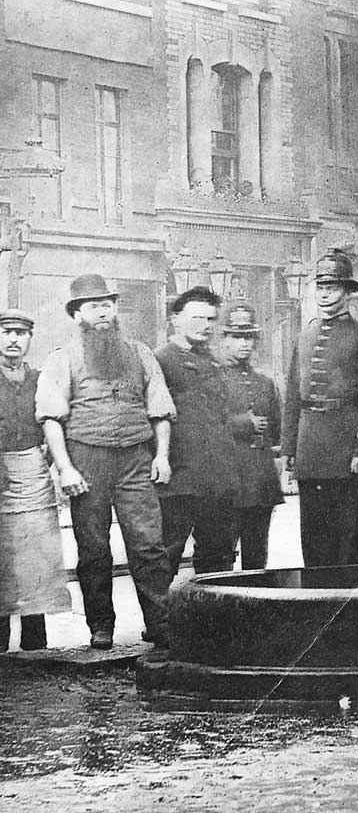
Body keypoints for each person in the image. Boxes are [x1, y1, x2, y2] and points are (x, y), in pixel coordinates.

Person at [37, 274, 176, 650]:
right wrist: (65, 468)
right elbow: (52, 419)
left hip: (135, 458)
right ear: (77, 314)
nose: (102, 311)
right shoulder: (62, 359)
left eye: (108, 304)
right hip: (86, 459)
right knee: (94, 548)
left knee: (148, 544)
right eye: (93, 305)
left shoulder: (141, 354)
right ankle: (101, 626)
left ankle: (160, 623)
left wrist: (161, 455)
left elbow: (160, 411)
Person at [283, 251, 358, 567]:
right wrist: (289, 449)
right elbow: (293, 396)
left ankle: (349, 609)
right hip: (311, 453)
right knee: (313, 541)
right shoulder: (303, 338)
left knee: (349, 541)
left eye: (332, 287)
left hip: (348, 454)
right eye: (320, 286)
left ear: (348, 292)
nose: (324, 293)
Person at [0, 309, 82, 651]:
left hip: (34, 475)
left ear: (31, 338)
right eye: (6, 332)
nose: (13, 339)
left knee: (38, 558)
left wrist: (52, 457)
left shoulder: (39, 378)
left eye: (21, 332)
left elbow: (55, 421)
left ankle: (36, 647)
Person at [154, 287, 242, 576]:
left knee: (219, 558)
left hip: (218, 479)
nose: (205, 325)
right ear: (175, 319)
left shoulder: (217, 362)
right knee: (166, 556)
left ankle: (212, 620)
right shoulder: (159, 361)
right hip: (178, 479)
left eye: (210, 319)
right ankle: (162, 621)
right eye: (196, 318)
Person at [221, 306, 282, 570]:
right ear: (224, 339)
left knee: (257, 556)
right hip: (227, 479)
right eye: (236, 337)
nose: (244, 344)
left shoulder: (265, 383)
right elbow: (205, 426)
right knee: (221, 554)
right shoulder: (213, 378)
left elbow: (276, 429)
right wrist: (244, 424)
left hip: (260, 481)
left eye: (248, 338)